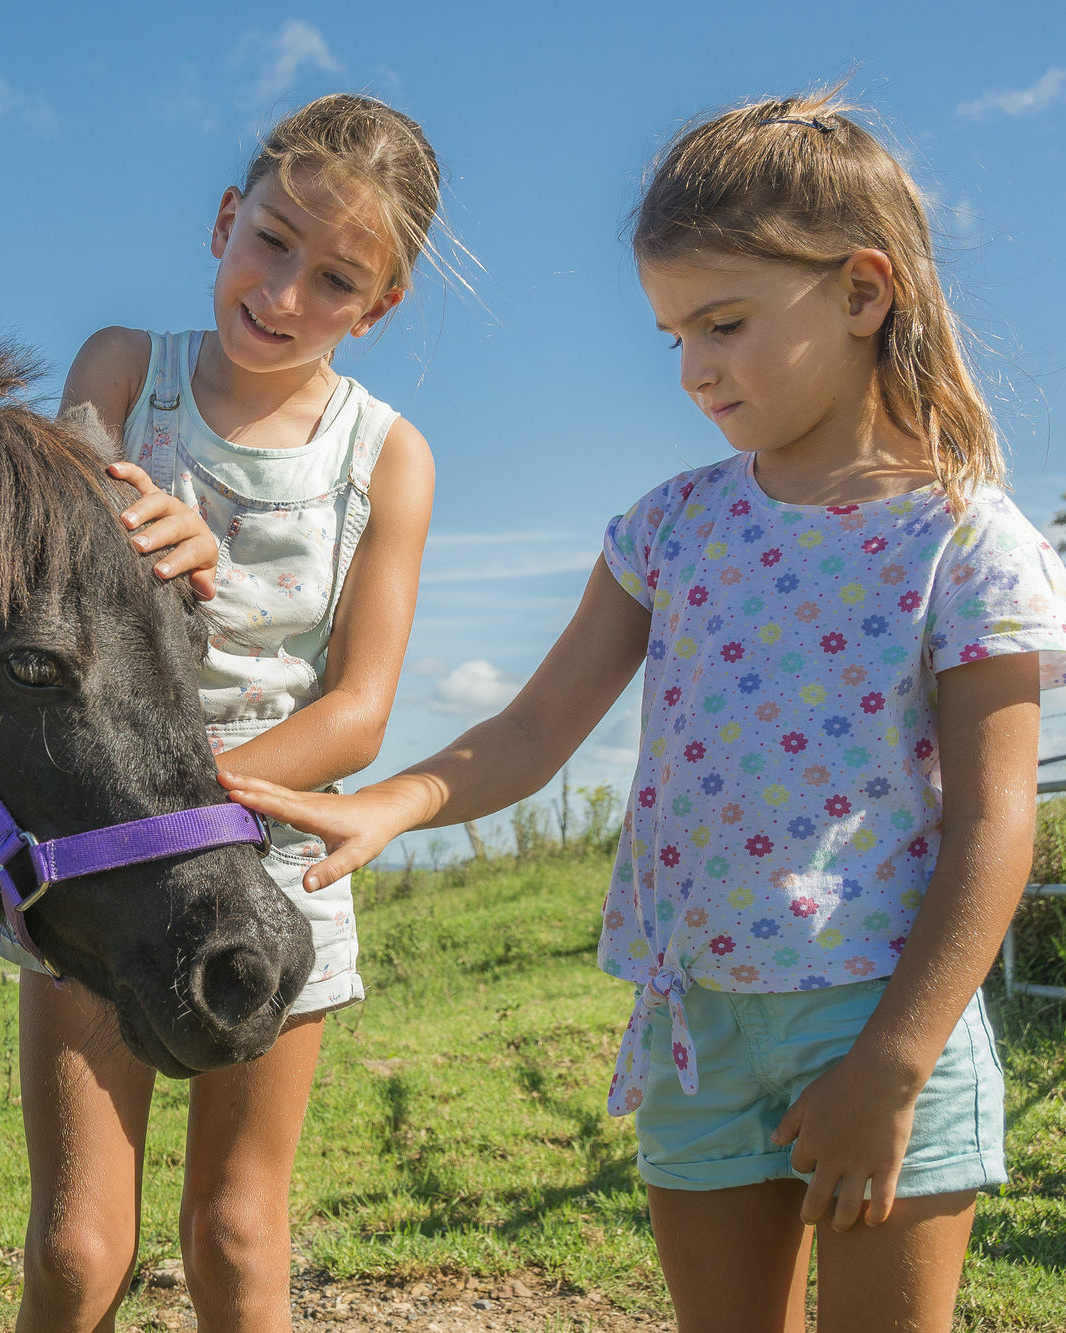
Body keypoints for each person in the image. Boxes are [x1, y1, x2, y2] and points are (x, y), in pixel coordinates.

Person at [221, 89, 1066, 1332]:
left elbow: (997, 827)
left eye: (722, 323)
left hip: (882, 1020)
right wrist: (387, 807)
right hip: (691, 1026)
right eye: (671, 335)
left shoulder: (963, 539)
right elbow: (529, 729)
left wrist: (890, 1065)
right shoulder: (667, 527)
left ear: (860, 291)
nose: (692, 370)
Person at [0, 92, 441, 1333]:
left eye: (335, 278)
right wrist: (142, 559)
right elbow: (52, 570)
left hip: (273, 862)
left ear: (377, 305)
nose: (285, 293)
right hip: (101, 852)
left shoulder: (385, 457)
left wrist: (203, 807)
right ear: (227, 218)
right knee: (76, 1246)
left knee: (236, 1231)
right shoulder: (125, 369)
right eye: (273, 242)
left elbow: (355, 711)